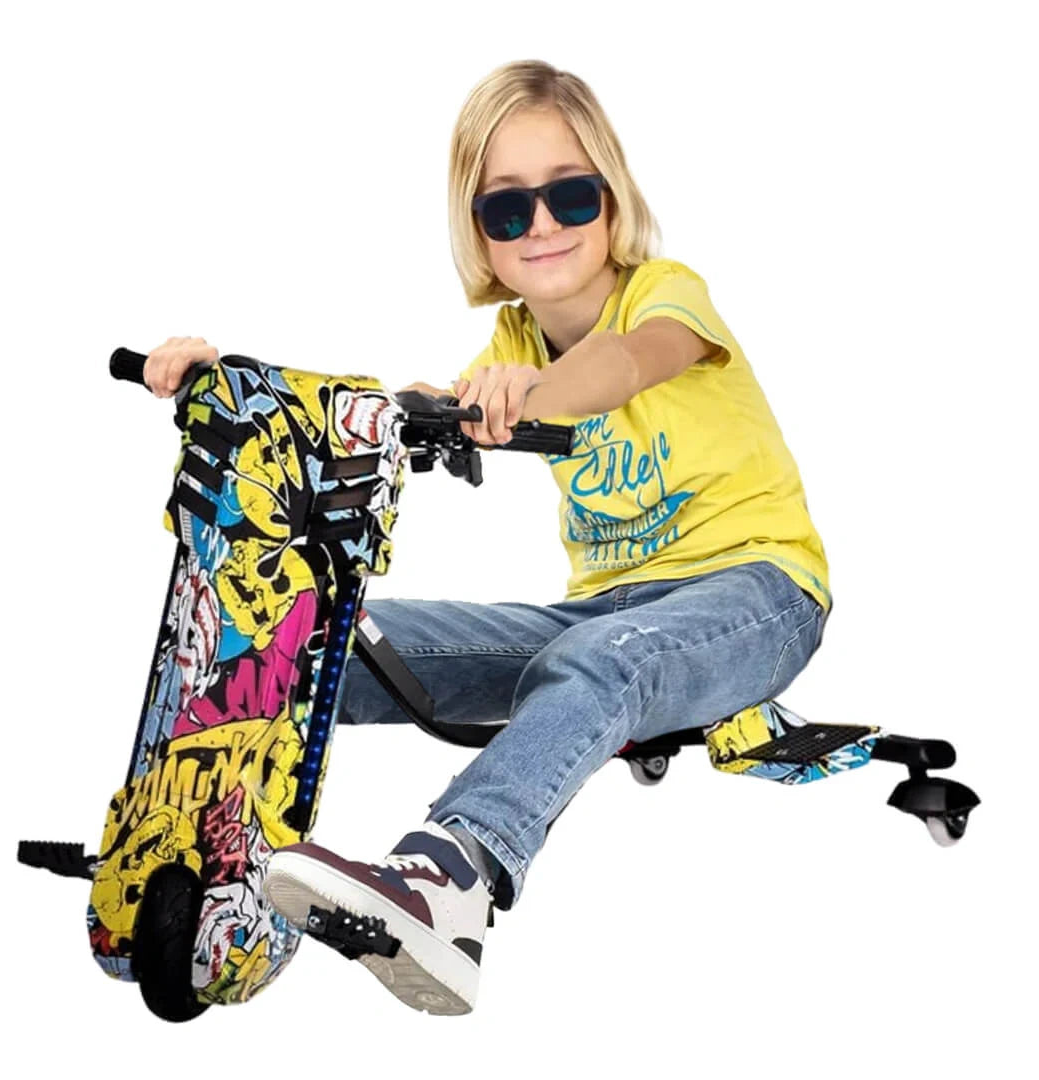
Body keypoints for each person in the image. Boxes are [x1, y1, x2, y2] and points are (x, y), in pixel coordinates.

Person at [142, 59, 830, 1016]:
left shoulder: (666, 294)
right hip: (603, 609)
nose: (542, 225)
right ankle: (221, 853)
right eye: (508, 210)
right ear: (479, 232)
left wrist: (534, 394)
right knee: (330, 633)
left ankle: (451, 881)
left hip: (757, 593)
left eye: (570, 195)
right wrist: (234, 379)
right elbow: (395, 411)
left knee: (598, 659)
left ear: (612, 197)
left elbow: (629, 365)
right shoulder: (509, 344)